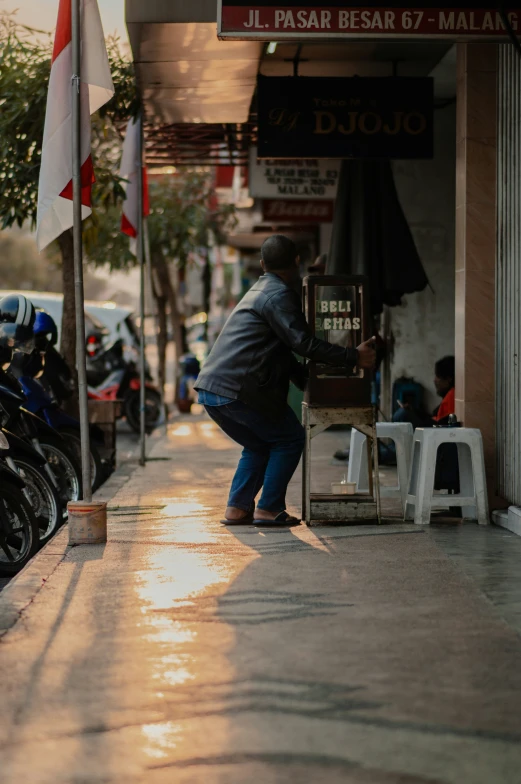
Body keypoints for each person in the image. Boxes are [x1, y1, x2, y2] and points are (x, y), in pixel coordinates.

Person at [195, 234, 376, 527]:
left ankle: (238, 509)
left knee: (258, 445)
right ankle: (268, 509)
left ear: (262, 263)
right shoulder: (279, 294)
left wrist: (305, 379)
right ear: (296, 262)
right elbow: (302, 343)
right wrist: (354, 356)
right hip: (238, 390)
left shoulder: (259, 289)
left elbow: (281, 349)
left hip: (212, 390)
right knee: (289, 438)